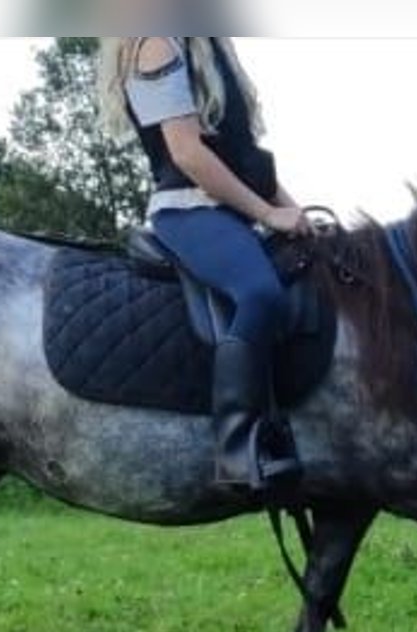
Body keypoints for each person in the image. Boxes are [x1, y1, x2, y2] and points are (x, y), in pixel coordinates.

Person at [98, 37, 312, 492]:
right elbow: (188, 154)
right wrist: (269, 215)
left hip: (233, 208)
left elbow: (247, 162)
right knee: (259, 293)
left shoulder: (213, 48)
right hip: (187, 210)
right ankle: (236, 449)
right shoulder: (156, 44)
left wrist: (298, 215)